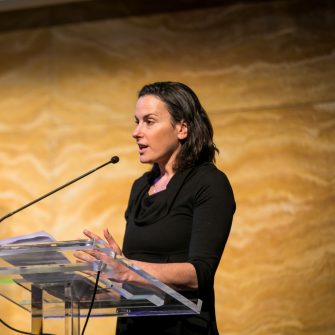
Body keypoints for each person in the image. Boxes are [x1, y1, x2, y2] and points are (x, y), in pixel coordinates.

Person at [77, 81, 236, 335]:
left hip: (184, 328)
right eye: (136, 121)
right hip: (134, 327)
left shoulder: (209, 183)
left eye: (149, 121)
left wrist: (128, 269)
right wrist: (114, 269)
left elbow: (199, 274)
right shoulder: (140, 187)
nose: (136, 132)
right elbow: (137, 276)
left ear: (182, 128)